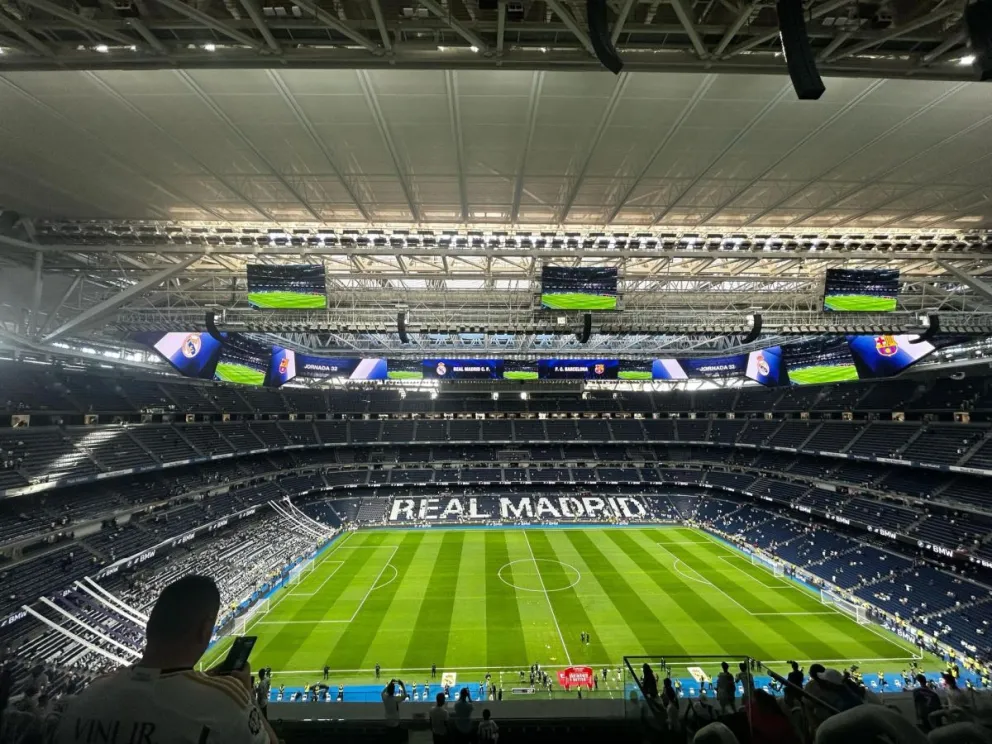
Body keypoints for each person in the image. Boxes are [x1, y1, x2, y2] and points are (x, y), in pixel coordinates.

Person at [52, 574, 276, 744]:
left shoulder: (87, 698)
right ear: (205, 628)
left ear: (150, 626)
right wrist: (248, 697)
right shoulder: (224, 703)